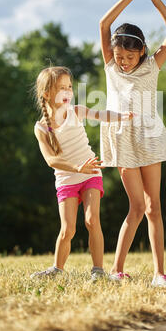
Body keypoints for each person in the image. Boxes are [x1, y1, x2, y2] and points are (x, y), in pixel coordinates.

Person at [99, 0, 166, 287]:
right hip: (122, 139)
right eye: (119, 56)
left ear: (142, 51)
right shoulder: (110, 64)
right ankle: (117, 270)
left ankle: (160, 273)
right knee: (135, 206)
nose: (123, 62)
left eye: (130, 57)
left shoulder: (152, 64)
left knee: (153, 206)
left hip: (149, 137)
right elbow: (104, 26)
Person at [30, 65, 134, 281]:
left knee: (91, 220)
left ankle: (98, 271)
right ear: (47, 93)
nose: (68, 92)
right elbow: (51, 160)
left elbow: (100, 114)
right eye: (61, 88)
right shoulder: (41, 128)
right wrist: (76, 167)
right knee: (67, 230)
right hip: (66, 178)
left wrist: (121, 116)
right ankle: (57, 270)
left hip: (90, 174)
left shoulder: (75, 111)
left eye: (70, 87)